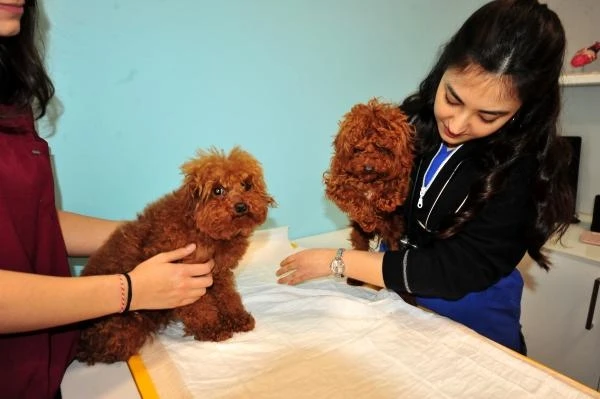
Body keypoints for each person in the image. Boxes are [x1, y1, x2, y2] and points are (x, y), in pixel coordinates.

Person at [277, 0, 574, 356]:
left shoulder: (521, 170)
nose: (458, 124)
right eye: (452, 98)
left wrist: (337, 261)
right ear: (445, 66)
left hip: (471, 315)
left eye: (489, 116)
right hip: (400, 298)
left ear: (523, 110)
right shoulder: (412, 121)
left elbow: (456, 269)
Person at [0, 2, 214, 398]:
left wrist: (145, 236)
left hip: (47, 368)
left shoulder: (8, 101)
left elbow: (27, 222)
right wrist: (129, 290)